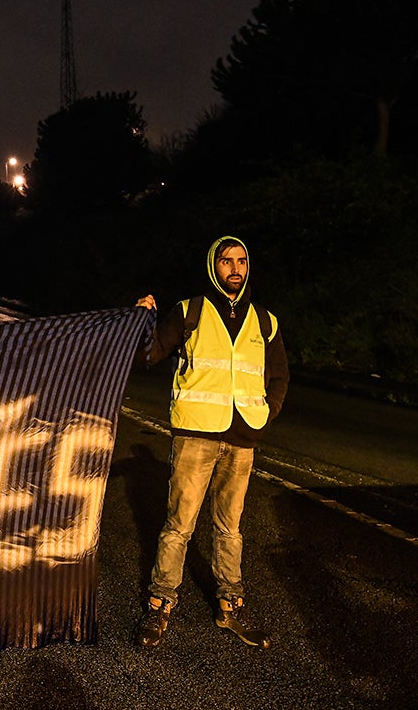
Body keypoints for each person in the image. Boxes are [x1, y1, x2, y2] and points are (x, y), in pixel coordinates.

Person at [133, 235, 289, 649]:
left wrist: (266, 412)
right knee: (178, 526)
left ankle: (230, 607)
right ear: (212, 266)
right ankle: (160, 604)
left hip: (242, 438)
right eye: (226, 261)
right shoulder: (191, 311)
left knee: (230, 528)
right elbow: (148, 356)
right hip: (196, 435)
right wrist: (141, 320)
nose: (235, 268)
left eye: (241, 261)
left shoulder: (265, 321)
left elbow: (279, 375)